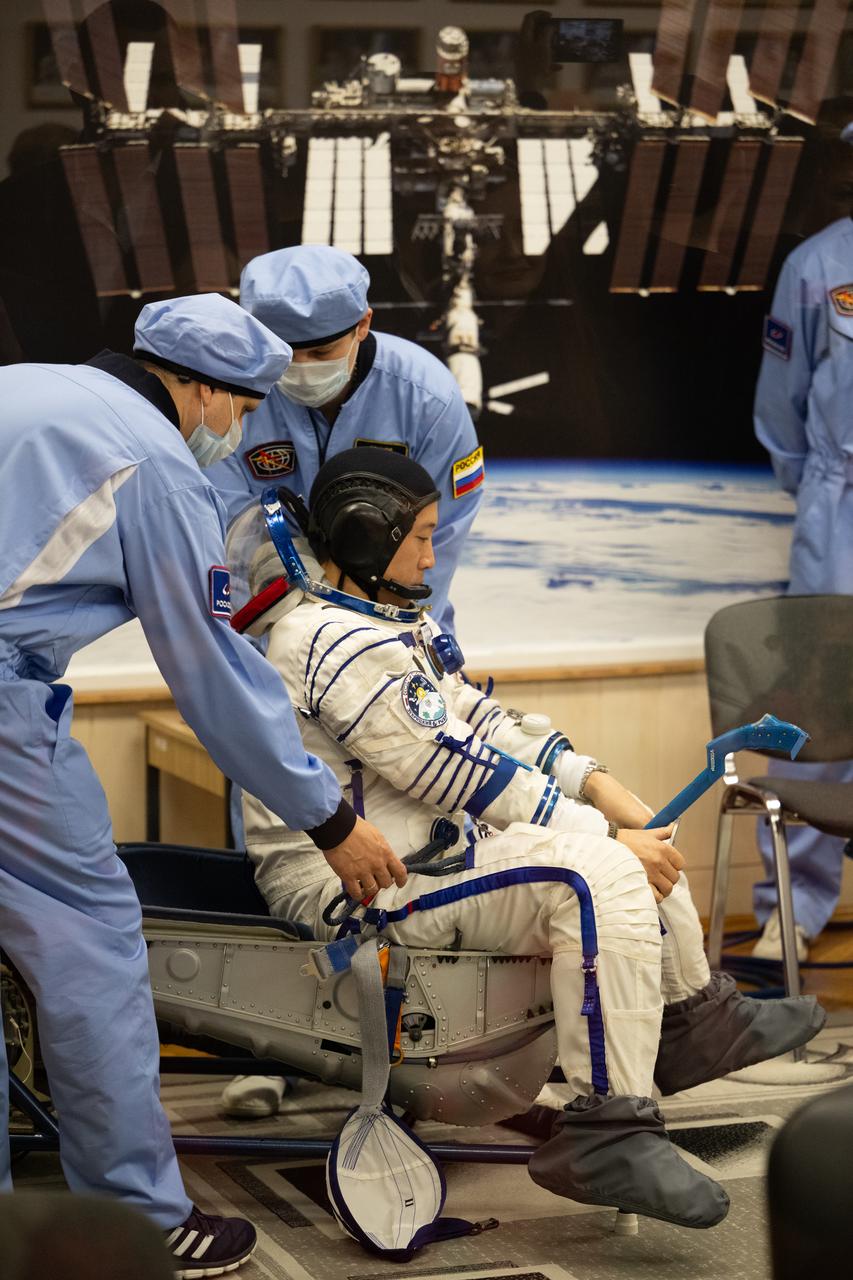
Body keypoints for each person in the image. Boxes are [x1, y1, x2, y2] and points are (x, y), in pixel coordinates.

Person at [221, 447, 824, 1225]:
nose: (432, 556)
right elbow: (450, 769)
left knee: (626, 842)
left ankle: (690, 1024)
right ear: (370, 536)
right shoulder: (327, 641)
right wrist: (599, 829)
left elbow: (479, 721)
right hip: (358, 885)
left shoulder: (382, 623)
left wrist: (595, 783)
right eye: (421, 537)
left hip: (424, 857)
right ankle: (607, 1135)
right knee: (594, 871)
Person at [0, 297, 406, 1278]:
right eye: (246, 407)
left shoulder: (30, 388)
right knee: (90, 943)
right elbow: (210, 671)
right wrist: (328, 817)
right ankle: (141, 1217)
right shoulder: (154, 461)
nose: (239, 429)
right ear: (205, 390)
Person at [205, 245, 483, 636]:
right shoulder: (229, 397)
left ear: (362, 325)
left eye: (322, 352)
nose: (301, 368)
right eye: (284, 354)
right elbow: (230, 534)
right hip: (271, 629)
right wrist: (274, 639)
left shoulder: (429, 399)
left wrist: (401, 638)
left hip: (396, 625)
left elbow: (441, 534)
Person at [751, 125, 853, 961]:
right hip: (839, 505)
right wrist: (820, 495)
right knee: (818, 711)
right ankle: (788, 910)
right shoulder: (818, 265)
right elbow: (780, 408)